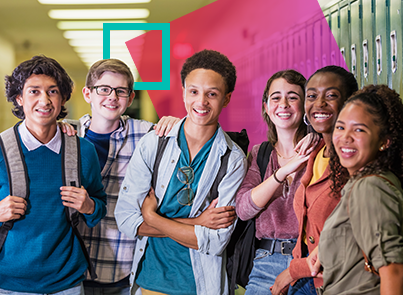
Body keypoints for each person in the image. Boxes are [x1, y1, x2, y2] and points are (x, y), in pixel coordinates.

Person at [115, 49, 247, 295]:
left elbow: (216, 241)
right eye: (194, 91)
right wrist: (197, 223)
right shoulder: (154, 143)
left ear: (227, 98)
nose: (201, 102)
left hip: (202, 285)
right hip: (152, 283)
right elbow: (126, 220)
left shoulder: (233, 160)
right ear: (184, 92)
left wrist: (153, 218)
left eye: (212, 94)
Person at [63, 58, 180, 295]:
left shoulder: (148, 135)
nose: (112, 97)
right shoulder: (66, 134)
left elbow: (190, 141)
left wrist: (178, 124)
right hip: (74, 267)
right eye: (104, 89)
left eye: (121, 91)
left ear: (130, 98)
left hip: (125, 265)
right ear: (88, 94)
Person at [0, 55, 107, 294]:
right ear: (19, 98)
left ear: (63, 98)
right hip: (8, 282)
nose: (44, 100)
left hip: (66, 282)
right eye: (34, 91)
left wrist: (89, 205)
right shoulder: (1, 149)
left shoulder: (83, 151)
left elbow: (99, 207)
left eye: (53, 91)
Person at [307, 85, 403, 295]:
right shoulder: (372, 181)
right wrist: (325, 247)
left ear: (384, 141)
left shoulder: (369, 187)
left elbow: (393, 270)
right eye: (340, 127)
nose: (345, 137)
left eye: (359, 129)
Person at [271, 65, 358, 295]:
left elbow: (350, 231)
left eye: (331, 95)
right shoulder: (316, 151)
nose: (319, 104)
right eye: (311, 96)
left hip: (343, 281)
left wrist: (292, 271)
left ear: (350, 103)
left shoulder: (355, 159)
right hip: (310, 281)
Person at [236, 70, 318, 294]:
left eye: (292, 97)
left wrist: (319, 136)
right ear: (266, 107)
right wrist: (281, 173)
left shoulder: (321, 151)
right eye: (276, 97)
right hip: (266, 262)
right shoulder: (260, 154)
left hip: (312, 263)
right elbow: (243, 209)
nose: (284, 104)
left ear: (304, 106)